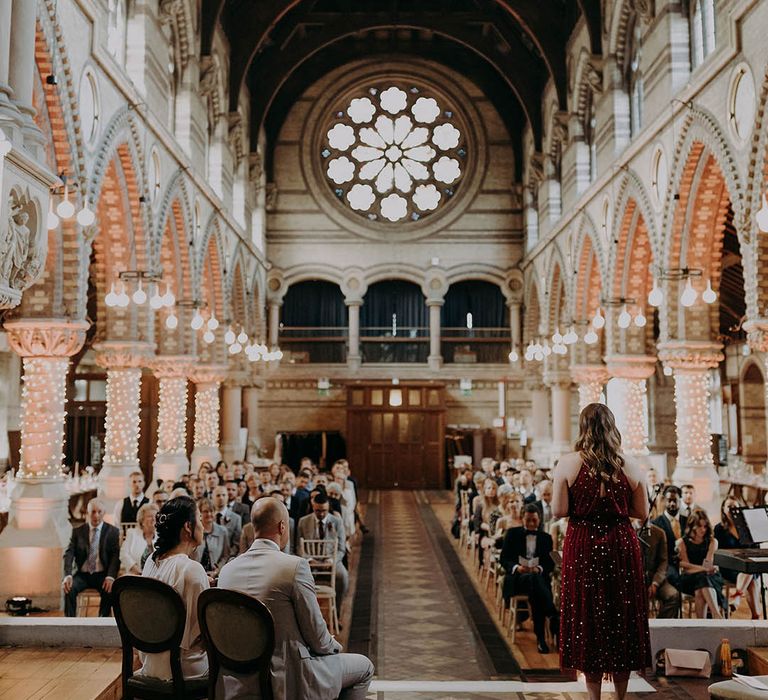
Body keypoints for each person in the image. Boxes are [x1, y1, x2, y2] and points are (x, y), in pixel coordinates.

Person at [218, 498, 373, 699]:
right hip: (287, 676)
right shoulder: (294, 567)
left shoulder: (227, 571)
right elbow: (316, 636)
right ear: (282, 526)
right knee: (364, 667)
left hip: (240, 677)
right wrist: (334, 646)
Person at [553, 403, 651, 700]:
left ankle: (594, 697)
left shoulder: (568, 463)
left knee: (588, 617)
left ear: (582, 427)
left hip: (582, 542)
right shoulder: (630, 464)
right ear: (612, 427)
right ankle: (620, 697)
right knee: (621, 615)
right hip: (620, 544)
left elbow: (559, 510)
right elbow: (642, 512)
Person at [139, 496, 209, 681]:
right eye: (200, 519)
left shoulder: (151, 562)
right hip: (185, 667)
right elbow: (203, 631)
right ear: (188, 526)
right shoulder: (192, 570)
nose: (203, 525)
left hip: (151, 662)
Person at [501, 504, 558, 653]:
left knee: (535, 588)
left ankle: (541, 639)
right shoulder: (512, 534)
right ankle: (552, 614)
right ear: (522, 519)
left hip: (536, 580)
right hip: (518, 579)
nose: (531, 523)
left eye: (534, 520)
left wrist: (538, 568)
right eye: (528, 520)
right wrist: (517, 568)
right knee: (535, 583)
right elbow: (504, 559)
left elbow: (549, 563)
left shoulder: (546, 538)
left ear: (539, 520)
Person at [62, 498, 120, 616]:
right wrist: (67, 575)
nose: (96, 515)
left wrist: (110, 576)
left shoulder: (112, 531)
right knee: (69, 588)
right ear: (88, 513)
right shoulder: (78, 532)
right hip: (83, 575)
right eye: (93, 512)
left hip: (102, 574)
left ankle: (102, 622)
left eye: (99, 512)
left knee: (109, 589)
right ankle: (69, 623)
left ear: (104, 513)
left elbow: (115, 556)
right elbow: (69, 553)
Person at [297, 492, 349, 602]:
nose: (321, 514)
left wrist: (331, 560)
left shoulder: (337, 521)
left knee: (343, 576)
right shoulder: (303, 521)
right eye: (318, 511)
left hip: (331, 558)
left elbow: (341, 548)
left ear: (328, 507)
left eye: (324, 511)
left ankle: (337, 606)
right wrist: (309, 560)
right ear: (313, 506)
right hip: (309, 560)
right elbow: (299, 546)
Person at [715, 495, 761, 618]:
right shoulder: (719, 529)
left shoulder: (748, 527)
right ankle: (756, 616)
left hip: (748, 566)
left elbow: (755, 548)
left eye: (735, 507)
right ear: (723, 509)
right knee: (750, 576)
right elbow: (717, 552)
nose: (732, 510)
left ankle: (737, 598)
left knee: (749, 570)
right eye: (729, 507)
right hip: (729, 566)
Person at [678, 509, 724, 619]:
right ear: (692, 526)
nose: (703, 529)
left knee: (700, 589)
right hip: (690, 579)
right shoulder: (682, 542)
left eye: (705, 526)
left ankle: (703, 623)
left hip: (710, 578)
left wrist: (691, 566)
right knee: (702, 578)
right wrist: (701, 569)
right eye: (699, 526)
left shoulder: (712, 541)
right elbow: (687, 570)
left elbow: (707, 566)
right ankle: (717, 615)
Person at [632, 518, 680, 618]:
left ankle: (661, 627)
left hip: (655, 579)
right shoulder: (628, 530)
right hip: (634, 581)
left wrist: (655, 583)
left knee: (673, 595)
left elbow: (663, 561)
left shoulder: (659, 533)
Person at [652, 485, 687, 591]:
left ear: (680, 501)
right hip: (668, 564)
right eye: (669, 500)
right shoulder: (656, 523)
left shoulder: (687, 521)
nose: (672, 504)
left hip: (686, 562)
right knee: (674, 577)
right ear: (664, 501)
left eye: (675, 500)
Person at [192, 497, 230, 580]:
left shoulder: (223, 531)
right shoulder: (193, 531)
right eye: (205, 511)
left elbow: (225, 555)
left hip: (215, 575)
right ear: (200, 513)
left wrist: (217, 570)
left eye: (211, 511)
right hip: (195, 574)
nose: (209, 514)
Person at [120, 503, 158, 574]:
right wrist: (136, 569)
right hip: (135, 575)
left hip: (156, 578)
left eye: (156, 516)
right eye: (150, 516)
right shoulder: (132, 533)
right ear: (142, 520)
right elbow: (123, 554)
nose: (153, 519)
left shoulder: (161, 536)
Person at [211, 484, 242, 552]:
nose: (221, 498)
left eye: (224, 495)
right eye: (218, 495)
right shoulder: (209, 517)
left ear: (227, 497)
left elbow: (237, 544)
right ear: (212, 498)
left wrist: (227, 558)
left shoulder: (236, 518)